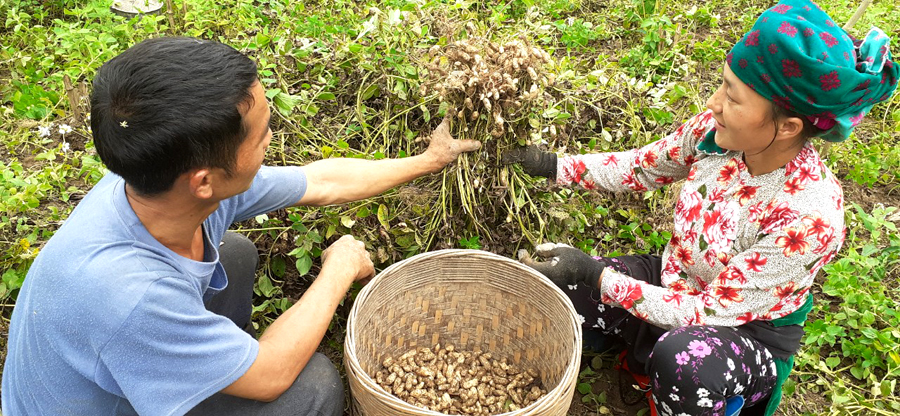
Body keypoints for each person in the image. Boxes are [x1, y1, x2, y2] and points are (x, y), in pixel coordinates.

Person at [1, 37, 480, 416]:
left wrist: (428, 160)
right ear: (204, 180)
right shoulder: (131, 297)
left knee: (231, 253)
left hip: (122, 358)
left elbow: (322, 180)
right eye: (264, 131)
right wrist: (337, 270)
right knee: (310, 389)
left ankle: (215, 361)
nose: (273, 137)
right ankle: (222, 368)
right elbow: (274, 375)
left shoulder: (161, 181)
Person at [508, 1, 898, 415]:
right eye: (722, 85)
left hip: (742, 327)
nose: (713, 103)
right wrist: (551, 166)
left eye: (732, 97)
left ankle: (715, 394)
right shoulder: (716, 134)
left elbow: (707, 312)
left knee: (686, 363)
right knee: (553, 292)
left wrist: (596, 274)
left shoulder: (808, 216)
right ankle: (636, 351)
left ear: (787, 127)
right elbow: (641, 167)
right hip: (676, 277)